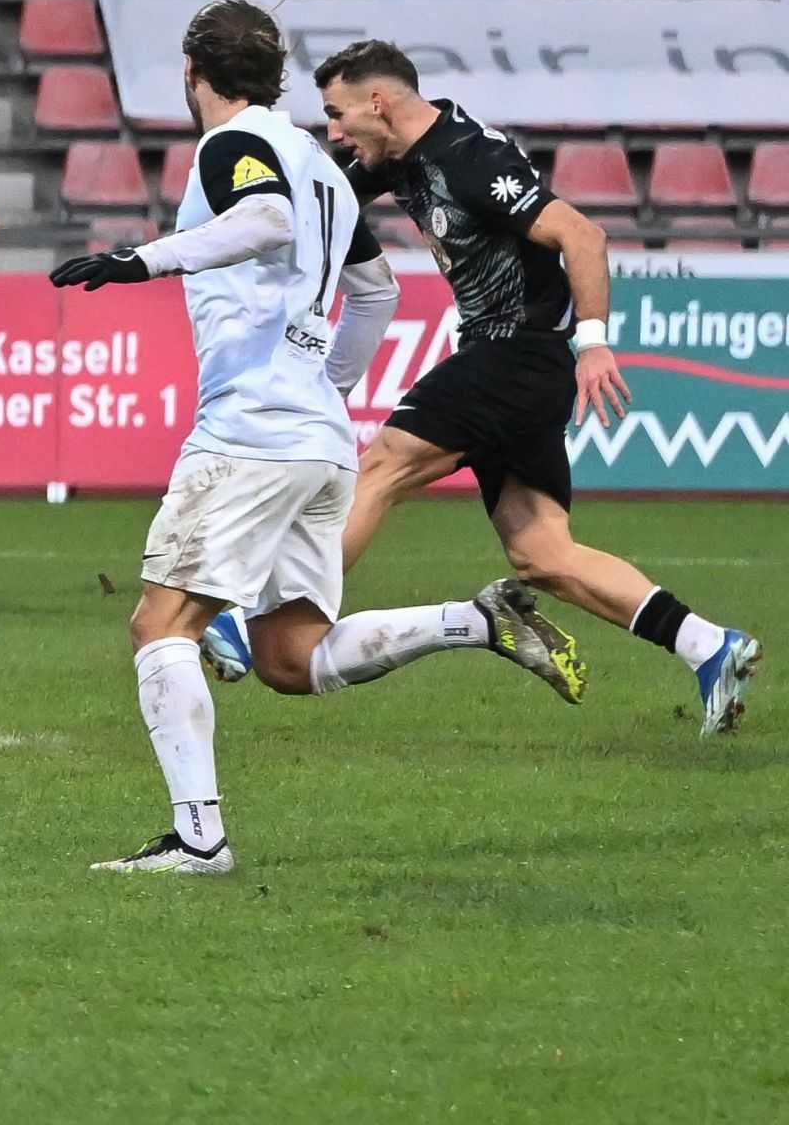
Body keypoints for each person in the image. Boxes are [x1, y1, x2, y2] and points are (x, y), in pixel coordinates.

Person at [48, 0, 582, 876]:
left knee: (160, 625)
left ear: (193, 73)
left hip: (250, 430)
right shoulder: (321, 167)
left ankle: (198, 840)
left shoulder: (233, 144)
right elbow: (376, 294)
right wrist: (322, 386)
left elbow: (265, 221)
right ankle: (472, 620)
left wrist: (141, 259)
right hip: (318, 438)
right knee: (290, 657)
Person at [206, 39, 758, 738]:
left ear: (379, 102)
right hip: (514, 363)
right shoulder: (399, 153)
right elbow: (321, 198)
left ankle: (246, 610)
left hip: (515, 353)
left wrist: (593, 344)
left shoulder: (471, 160)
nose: (335, 132)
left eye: (339, 114)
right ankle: (709, 647)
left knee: (382, 467)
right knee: (544, 555)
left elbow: (582, 236)